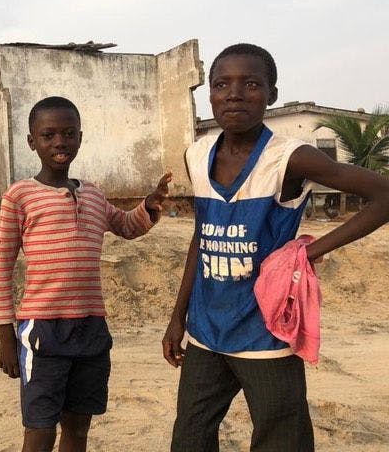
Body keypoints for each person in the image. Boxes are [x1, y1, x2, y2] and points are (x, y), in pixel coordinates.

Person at [162, 43, 389, 451]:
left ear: (272, 94)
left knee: (281, 439)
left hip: (267, 333)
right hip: (205, 332)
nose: (234, 94)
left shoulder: (289, 158)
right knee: (190, 438)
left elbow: (384, 196)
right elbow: (202, 236)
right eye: (221, 84)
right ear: (209, 94)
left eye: (251, 84)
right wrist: (177, 316)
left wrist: (309, 251)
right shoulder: (195, 155)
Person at [0, 96, 172, 452]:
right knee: (40, 430)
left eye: (69, 133)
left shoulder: (92, 194)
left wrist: (147, 206)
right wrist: (5, 337)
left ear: (80, 137)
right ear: (32, 141)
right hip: (42, 330)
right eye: (49, 135)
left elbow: (125, 225)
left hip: (90, 328)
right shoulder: (20, 196)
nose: (60, 142)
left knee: (78, 428)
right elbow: (2, 266)